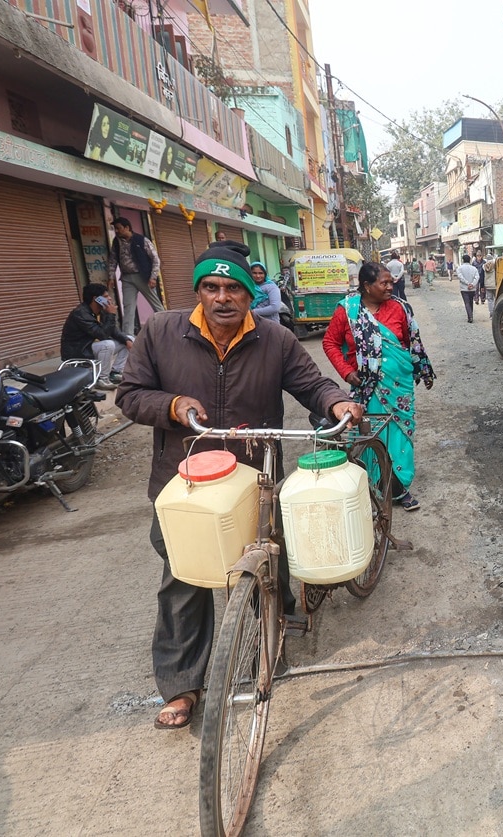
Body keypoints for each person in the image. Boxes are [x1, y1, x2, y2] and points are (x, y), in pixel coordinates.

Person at [115, 240, 362, 730]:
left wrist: (337, 403)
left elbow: (312, 384)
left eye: (233, 289)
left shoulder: (276, 340)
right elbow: (130, 394)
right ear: (198, 291)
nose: (222, 298)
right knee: (184, 579)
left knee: (269, 552)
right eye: (211, 287)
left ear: (251, 295)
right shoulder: (162, 331)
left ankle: (279, 622)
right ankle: (183, 684)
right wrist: (171, 405)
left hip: (253, 476)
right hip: (185, 483)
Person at [323, 261, 436, 512]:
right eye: (383, 283)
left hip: (400, 388)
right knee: (369, 435)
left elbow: (411, 343)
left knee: (400, 434)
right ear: (366, 286)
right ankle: (372, 488)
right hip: (366, 387)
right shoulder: (348, 311)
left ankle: (399, 489)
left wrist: (420, 370)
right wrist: (346, 371)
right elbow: (330, 343)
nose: (390, 286)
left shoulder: (399, 308)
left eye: (390, 281)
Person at [60, 282, 133, 390]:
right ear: (96, 299)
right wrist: (111, 315)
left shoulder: (101, 311)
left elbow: (114, 331)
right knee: (107, 344)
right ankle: (102, 379)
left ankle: (115, 372)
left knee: (129, 339)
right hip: (78, 351)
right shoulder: (81, 313)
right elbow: (102, 335)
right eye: (105, 296)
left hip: (89, 347)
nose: (109, 299)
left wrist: (127, 341)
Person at [107, 217, 164, 336]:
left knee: (155, 303)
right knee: (128, 306)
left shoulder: (142, 240)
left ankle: (167, 326)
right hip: (127, 278)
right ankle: (128, 336)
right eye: (115, 229)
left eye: (118, 228)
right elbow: (113, 260)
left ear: (127, 227)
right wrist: (111, 276)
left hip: (143, 276)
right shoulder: (116, 242)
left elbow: (155, 259)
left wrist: (153, 277)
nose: (116, 231)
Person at [456, 254, 480, 323]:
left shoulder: (460, 268)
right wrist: (472, 284)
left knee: (467, 303)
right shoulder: (474, 268)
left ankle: (470, 316)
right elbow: (477, 277)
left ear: (463, 260)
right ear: (469, 260)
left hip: (464, 288)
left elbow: (460, 277)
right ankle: (471, 315)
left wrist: (467, 283)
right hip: (472, 289)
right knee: (471, 302)